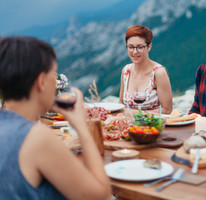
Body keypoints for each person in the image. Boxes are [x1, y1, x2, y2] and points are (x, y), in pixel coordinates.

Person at [0, 36, 111, 199]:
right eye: (53, 75)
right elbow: (100, 196)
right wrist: (81, 126)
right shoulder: (36, 136)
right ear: (41, 82)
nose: (56, 82)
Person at [119, 25, 173, 114]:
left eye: (140, 47)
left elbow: (167, 110)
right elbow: (121, 104)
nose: (135, 52)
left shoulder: (159, 73)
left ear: (149, 47)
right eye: (131, 47)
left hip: (153, 126)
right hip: (130, 127)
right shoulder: (126, 71)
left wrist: (134, 115)